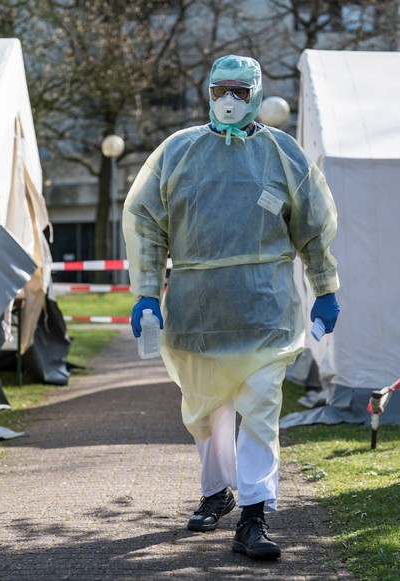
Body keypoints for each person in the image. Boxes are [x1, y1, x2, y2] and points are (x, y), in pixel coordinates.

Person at [122, 54, 340, 561]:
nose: (229, 100)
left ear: (257, 94)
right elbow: (146, 222)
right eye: (221, 89)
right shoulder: (177, 153)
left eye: (240, 92)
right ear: (209, 92)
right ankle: (217, 492)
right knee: (206, 413)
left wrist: (325, 286)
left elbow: (313, 224)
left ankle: (255, 515)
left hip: (265, 314)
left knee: (261, 411)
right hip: (197, 315)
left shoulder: (283, 155)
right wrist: (146, 290)